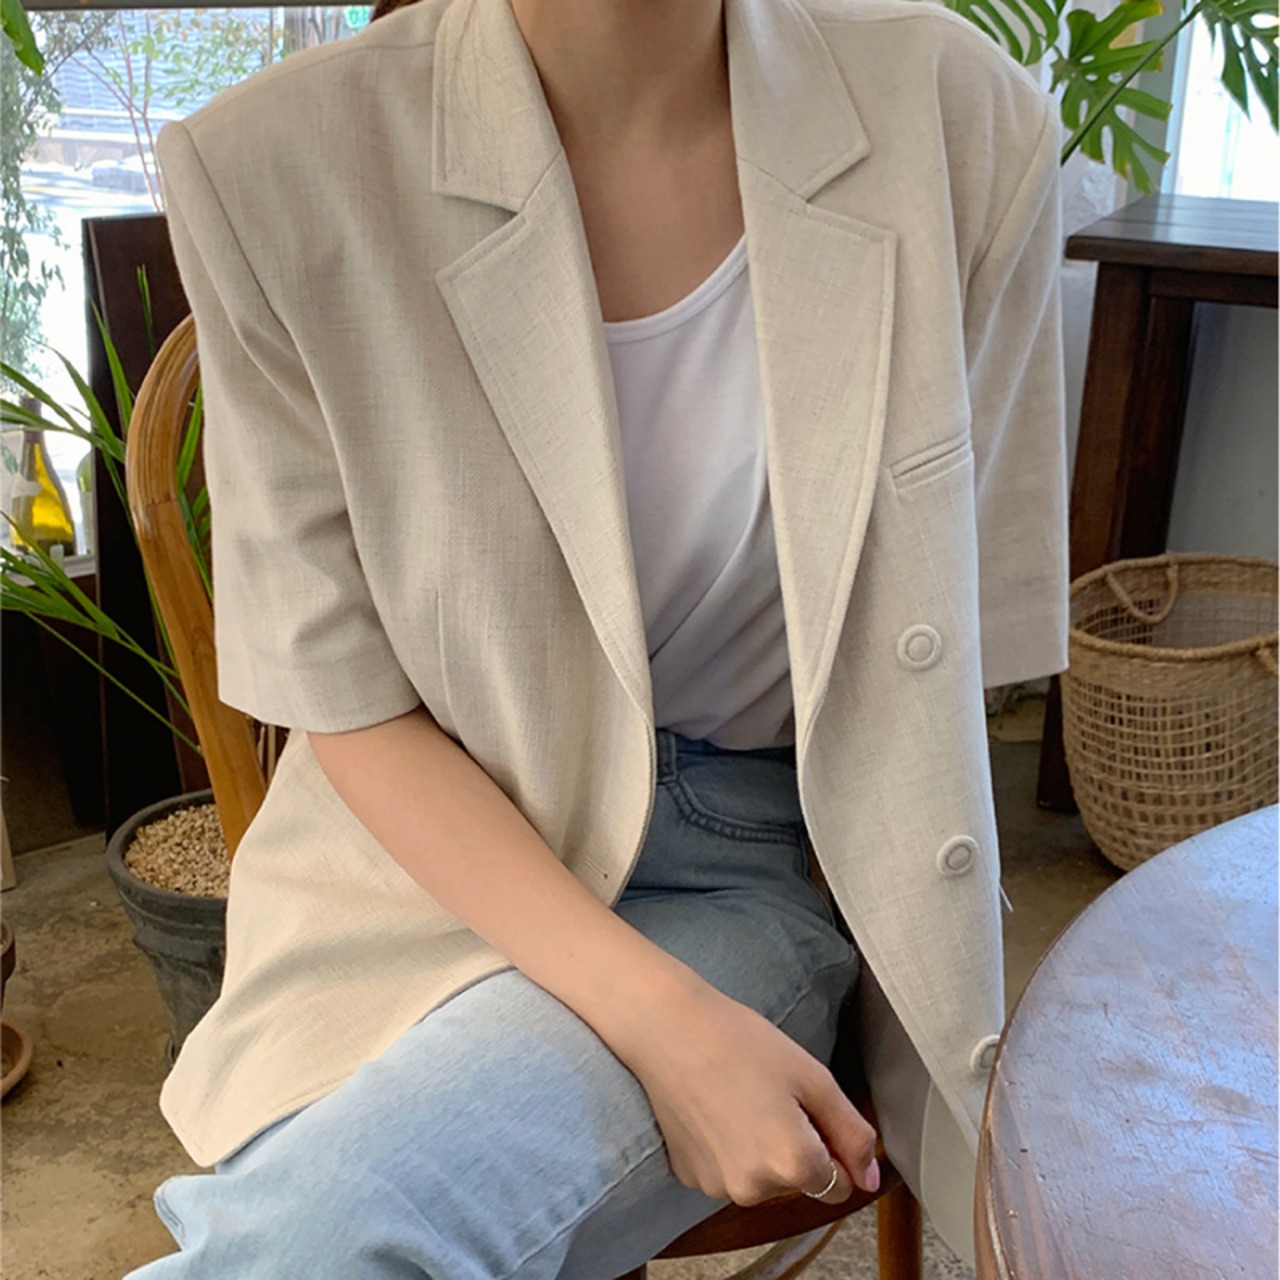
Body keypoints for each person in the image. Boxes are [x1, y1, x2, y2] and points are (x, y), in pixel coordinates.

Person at [123, 0, 1069, 1273]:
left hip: (755, 853)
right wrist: (659, 1018)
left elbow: (951, 646)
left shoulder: (957, 120)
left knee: (329, 1235)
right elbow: (349, 702)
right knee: (319, 1231)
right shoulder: (272, 165)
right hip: (419, 858)